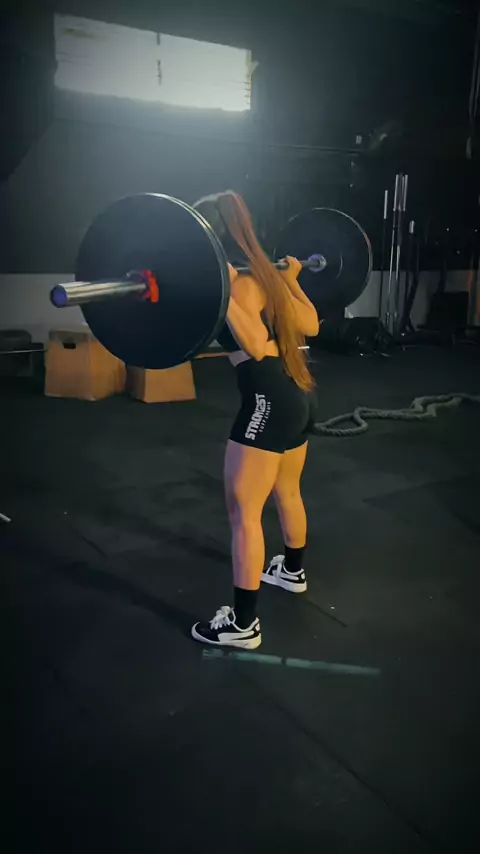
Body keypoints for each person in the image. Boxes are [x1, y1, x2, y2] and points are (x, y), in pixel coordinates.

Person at [190, 191, 319, 649]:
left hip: (268, 402)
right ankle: (291, 571)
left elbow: (255, 342)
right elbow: (312, 323)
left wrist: (223, 289)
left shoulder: (241, 283)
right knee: (287, 490)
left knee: (244, 513)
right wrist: (293, 281)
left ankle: (242, 625)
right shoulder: (269, 275)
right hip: (300, 395)